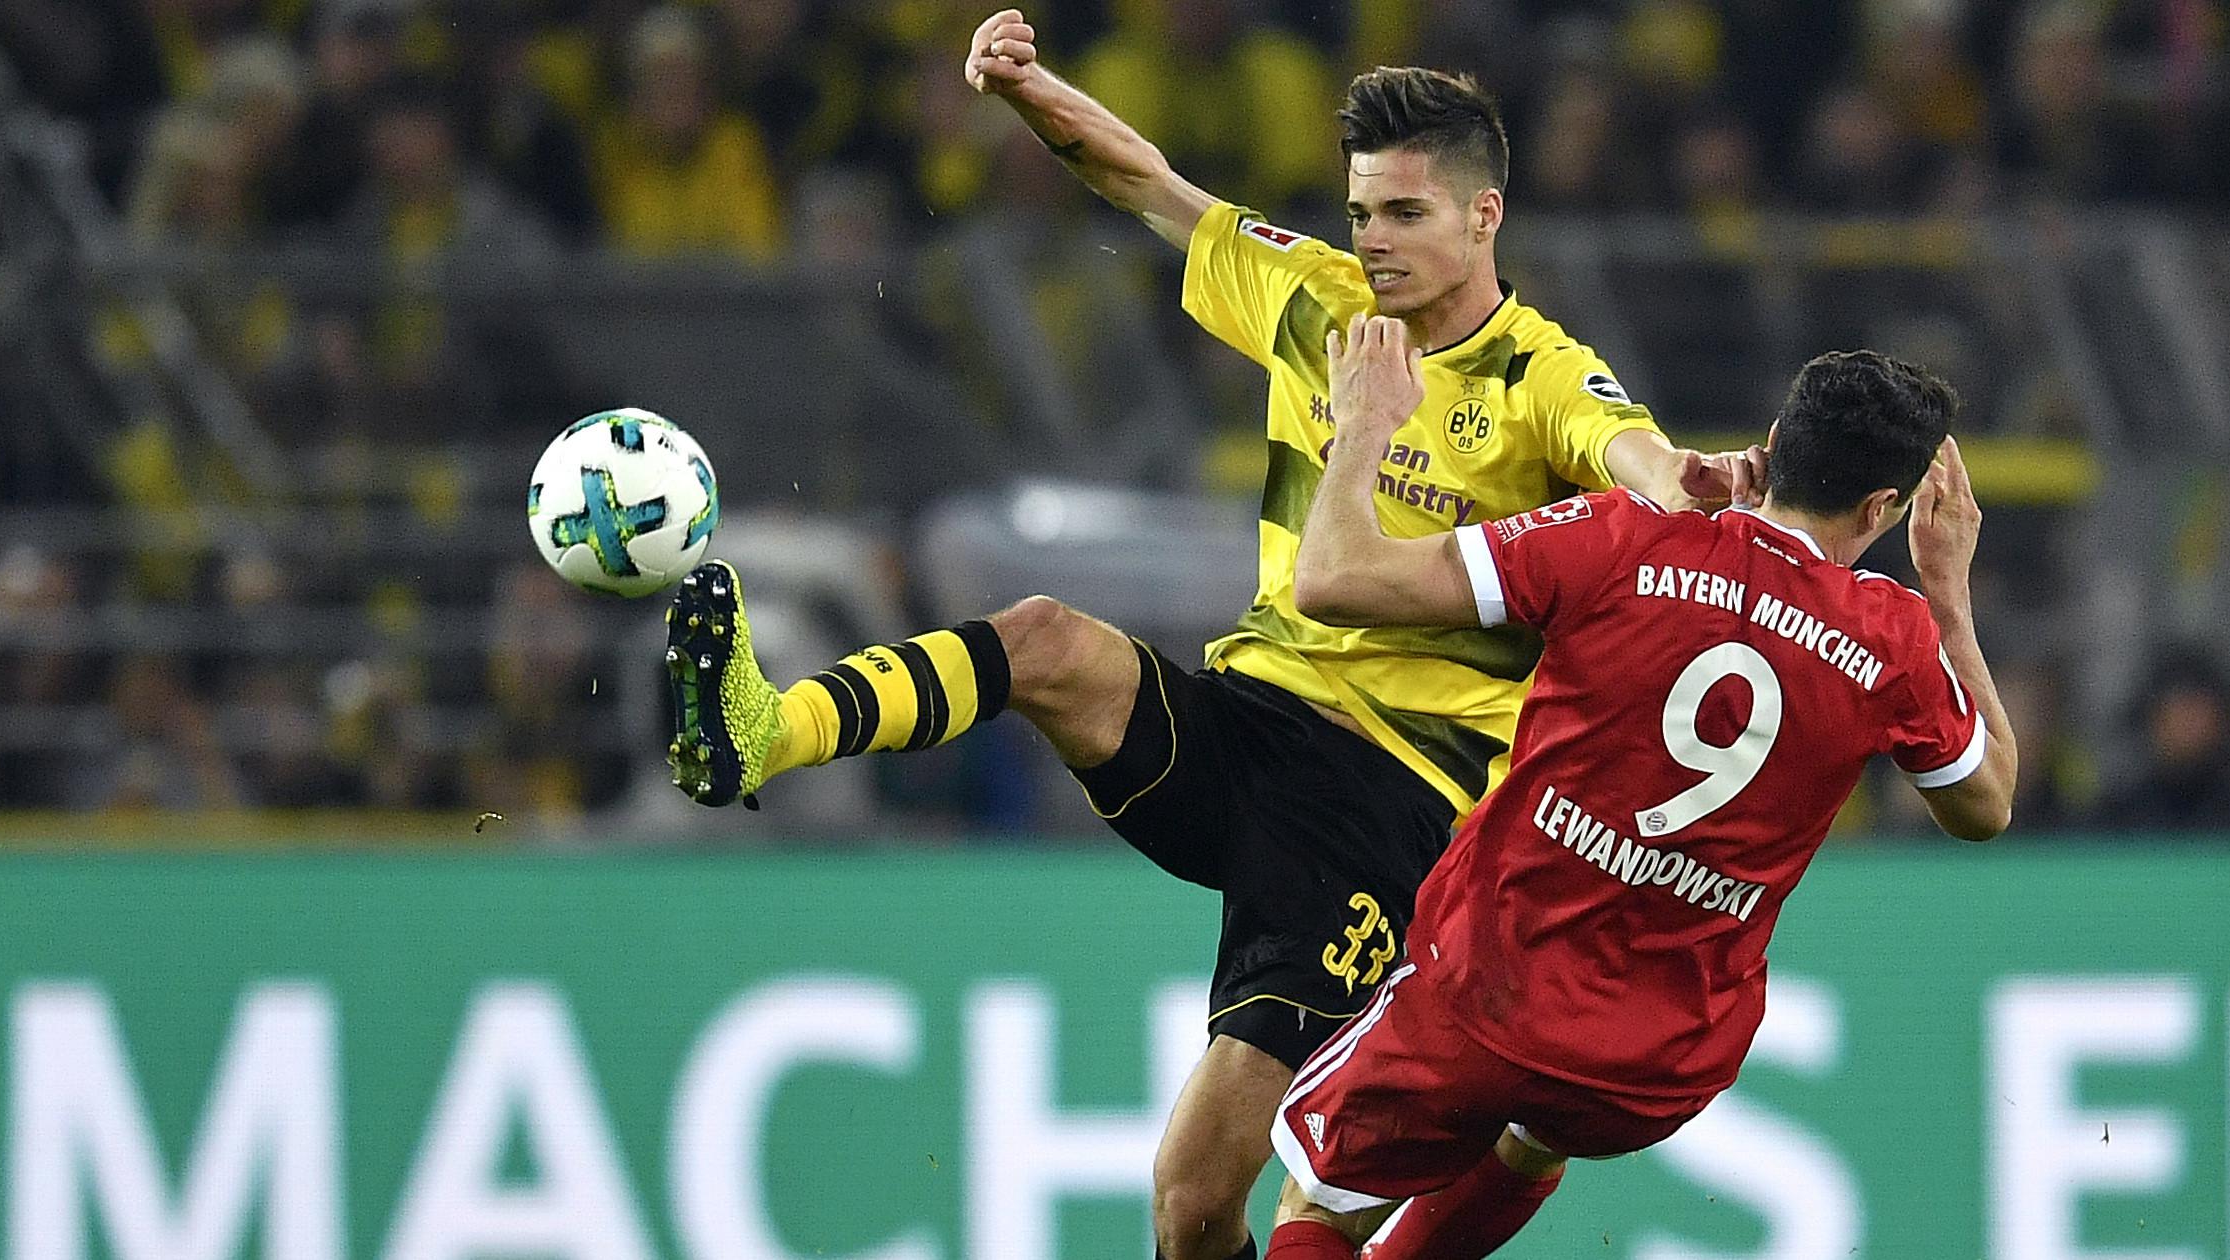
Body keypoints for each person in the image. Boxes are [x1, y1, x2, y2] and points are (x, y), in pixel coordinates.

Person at [662, 12, 1763, 1258]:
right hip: (1249, 723)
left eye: (1406, 214)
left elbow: (1634, 455)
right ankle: (764, 733)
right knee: (1043, 640)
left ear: (1483, 217)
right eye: (1362, 212)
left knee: (1192, 1203)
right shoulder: (1316, 300)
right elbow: (1147, 183)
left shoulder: (1539, 376)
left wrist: (1685, 477)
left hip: (1389, 807)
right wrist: (1025, 87)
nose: (1375, 240)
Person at [1258, 321, 2017, 1259]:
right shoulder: (1891, 639)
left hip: (1486, 995)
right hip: (1656, 1064)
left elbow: (1333, 580)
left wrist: (1366, 424)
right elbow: (1988, 804)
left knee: (1316, 1211)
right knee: (1535, 1131)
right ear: (1881, 508)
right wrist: (1948, 597)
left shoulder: (1620, 539)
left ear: (1771, 447)